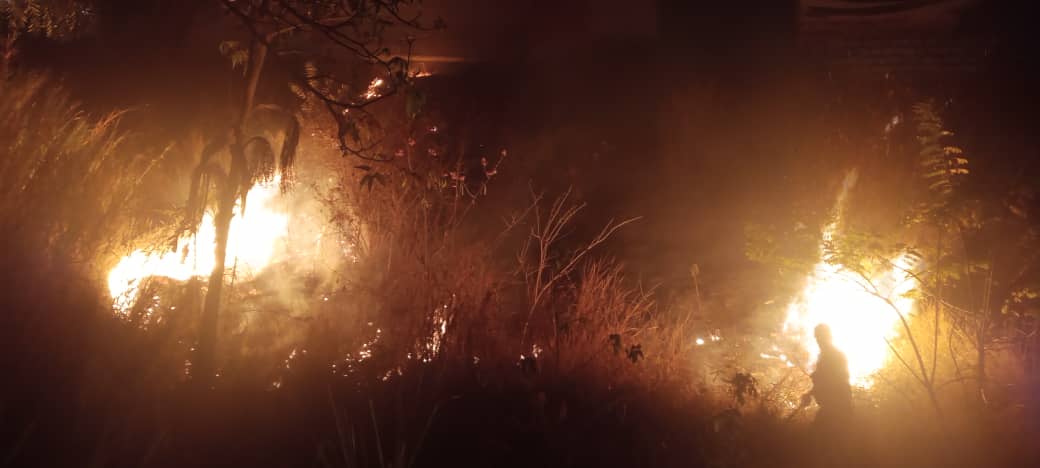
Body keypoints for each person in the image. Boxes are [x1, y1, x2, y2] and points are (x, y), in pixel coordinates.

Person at [801, 324, 853, 431]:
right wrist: (810, 393)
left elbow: (834, 382)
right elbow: (825, 381)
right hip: (831, 408)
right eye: (817, 337)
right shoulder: (825, 355)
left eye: (821, 337)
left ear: (828, 337)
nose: (818, 341)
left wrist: (817, 380)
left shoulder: (834, 355)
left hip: (837, 409)